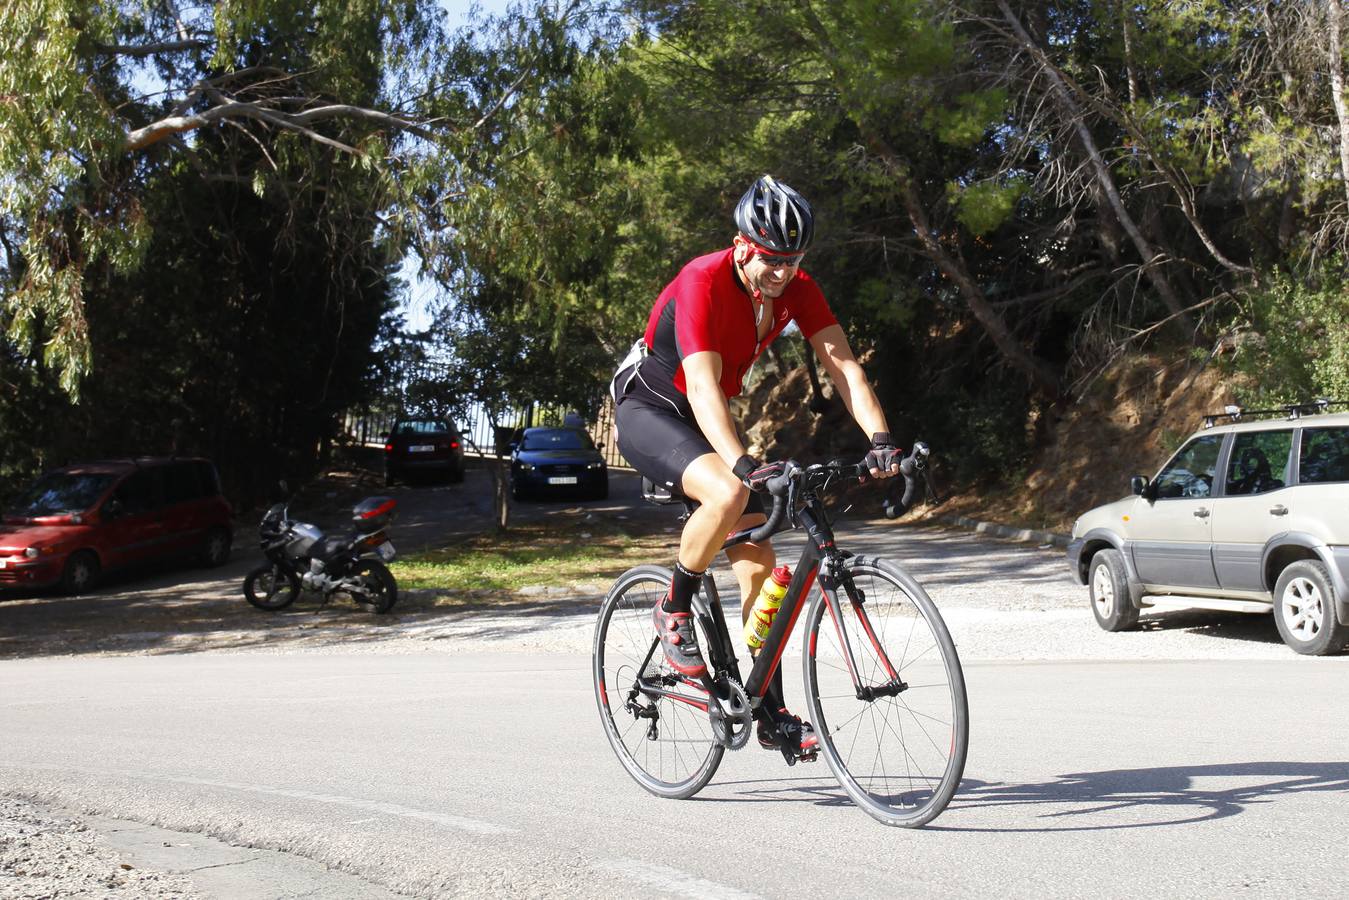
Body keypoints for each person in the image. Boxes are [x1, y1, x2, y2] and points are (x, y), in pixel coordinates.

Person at [612, 175, 902, 758]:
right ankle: (671, 609)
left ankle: (766, 705)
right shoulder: (702, 279)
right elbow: (698, 383)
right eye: (772, 259)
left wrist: (882, 441)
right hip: (652, 407)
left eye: (793, 260)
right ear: (742, 244)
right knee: (726, 494)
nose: (783, 272)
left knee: (761, 568)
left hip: (707, 416)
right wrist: (743, 463)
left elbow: (845, 369)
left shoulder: (797, 288)